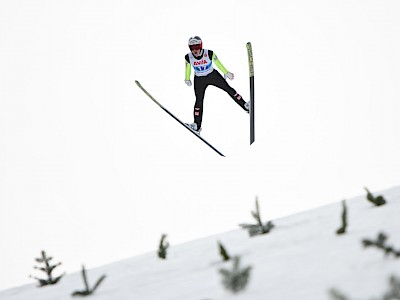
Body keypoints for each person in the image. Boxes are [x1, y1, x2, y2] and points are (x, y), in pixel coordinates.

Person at [184, 36, 249, 134]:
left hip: (212, 75)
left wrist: (226, 72)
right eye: (192, 48)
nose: (195, 50)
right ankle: (196, 125)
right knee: (198, 100)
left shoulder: (209, 53)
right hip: (199, 79)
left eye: (197, 46)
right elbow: (188, 68)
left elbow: (218, 63)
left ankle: (245, 106)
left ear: (201, 46)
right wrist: (187, 78)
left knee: (228, 89)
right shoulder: (188, 57)